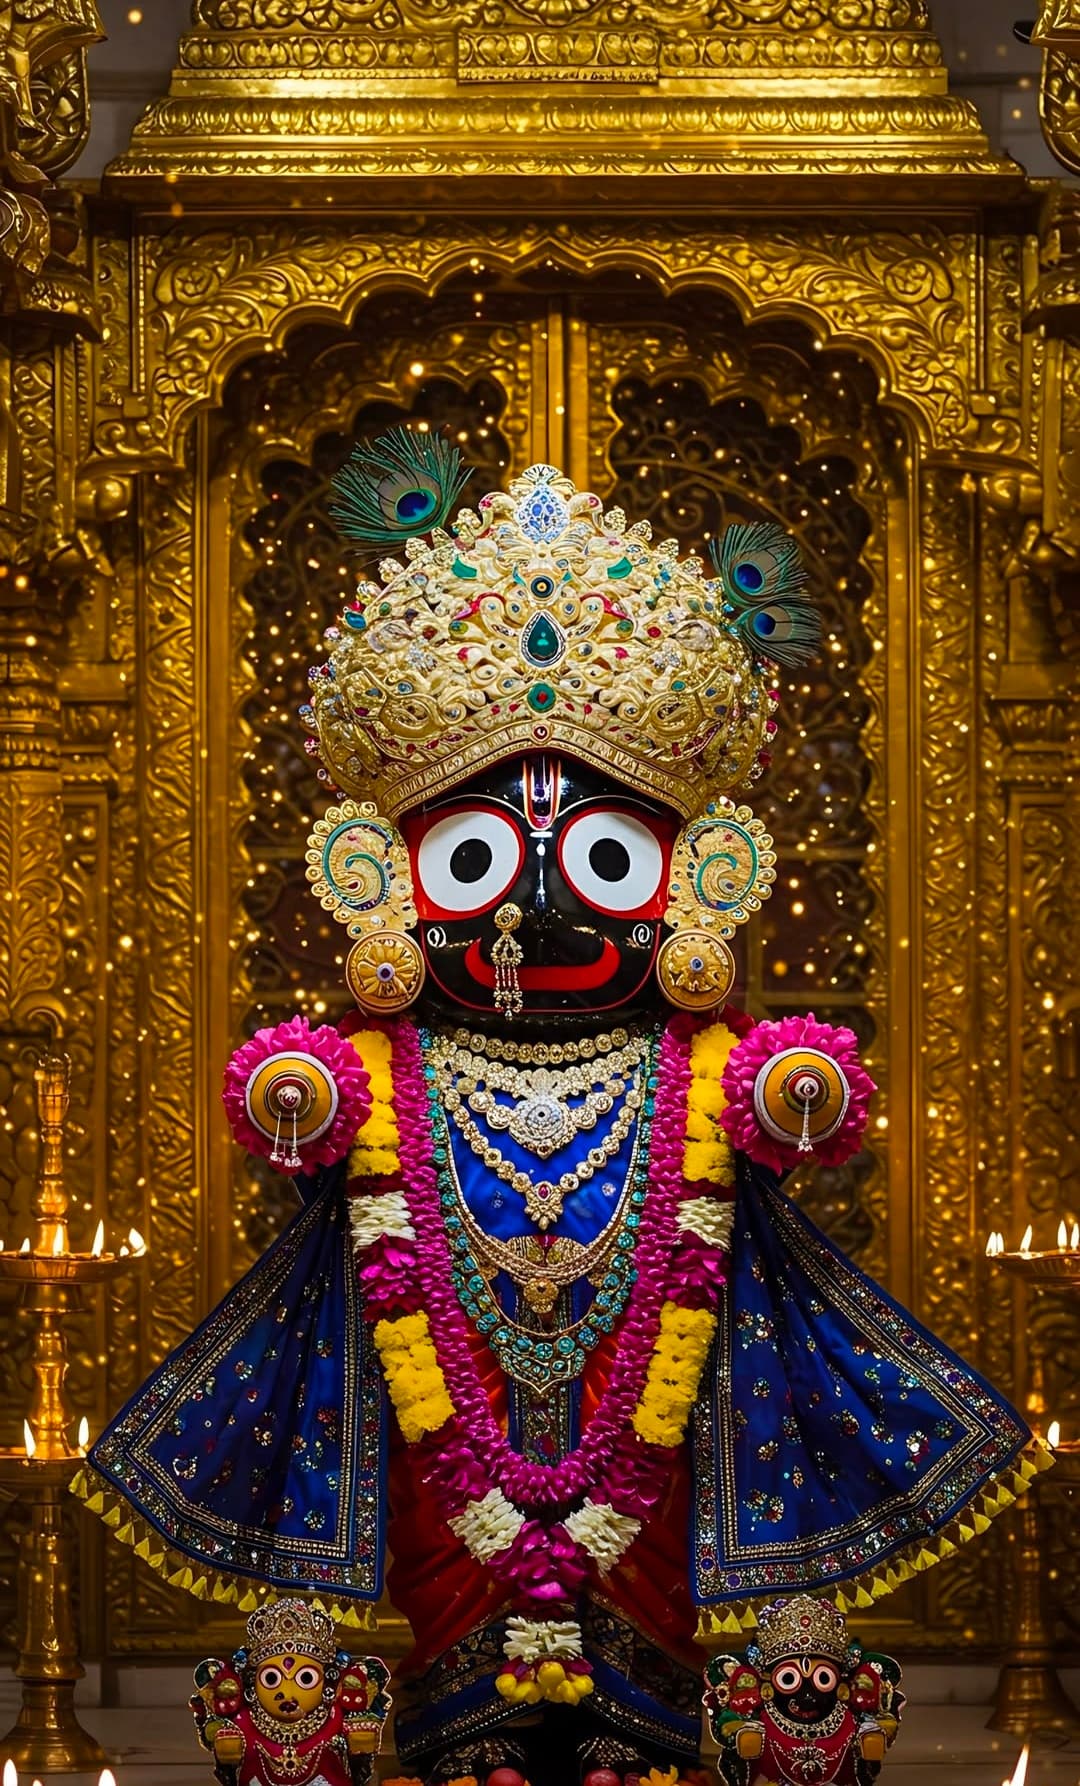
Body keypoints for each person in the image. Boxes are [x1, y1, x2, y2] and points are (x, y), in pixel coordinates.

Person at [76, 436, 1046, 1786]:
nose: (541, 904)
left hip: (643, 1383)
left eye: (601, 854)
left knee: (648, 1489)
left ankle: (630, 1718)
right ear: (389, 875)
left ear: (692, 873)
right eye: (482, 857)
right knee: (441, 1492)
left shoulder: (694, 1065)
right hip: (443, 1382)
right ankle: (466, 1724)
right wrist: (294, 1092)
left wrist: (800, 1090)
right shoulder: (390, 1068)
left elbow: (802, 1102)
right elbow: (282, 1092)